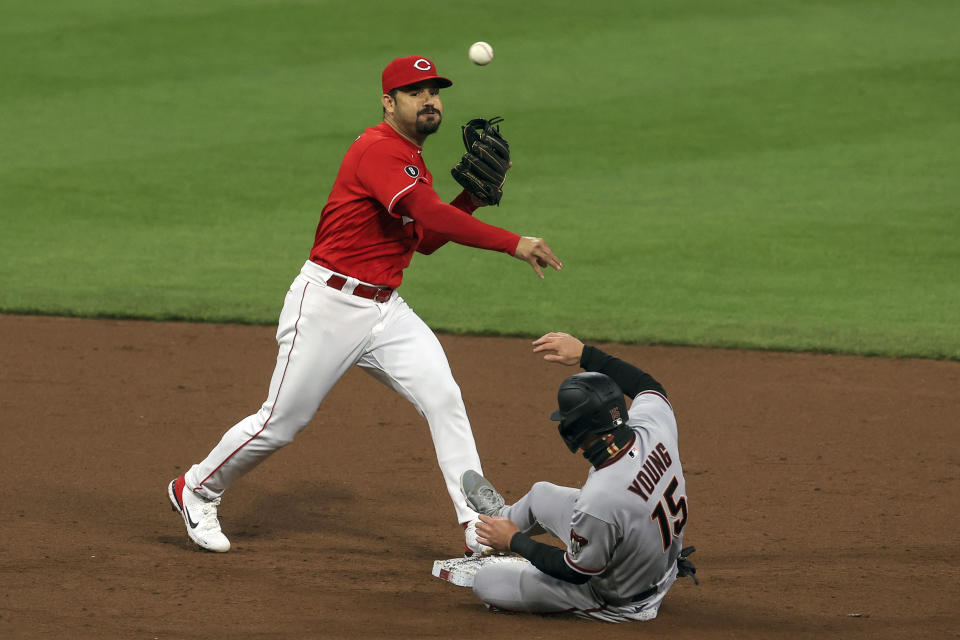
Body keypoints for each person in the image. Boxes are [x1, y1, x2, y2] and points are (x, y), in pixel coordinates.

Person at [166, 55, 562, 554]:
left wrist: (472, 201)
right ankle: (196, 489)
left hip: (385, 311)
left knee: (444, 398)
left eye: (435, 92)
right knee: (281, 422)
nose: (430, 100)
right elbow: (426, 211)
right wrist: (512, 241)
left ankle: (478, 526)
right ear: (388, 102)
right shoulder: (378, 150)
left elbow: (424, 238)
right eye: (416, 92)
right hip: (328, 305)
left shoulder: (412, 160)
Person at [459, 332, 696, 622]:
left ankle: (504, 536)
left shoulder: (601, 497)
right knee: (540, 494)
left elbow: (575, 571)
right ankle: (499, 522)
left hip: (620, 597)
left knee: (486, 582)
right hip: (653, 558)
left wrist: (516, 542)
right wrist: (585, 354)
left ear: (579, 431)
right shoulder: (652, 426)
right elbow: (648, 385)